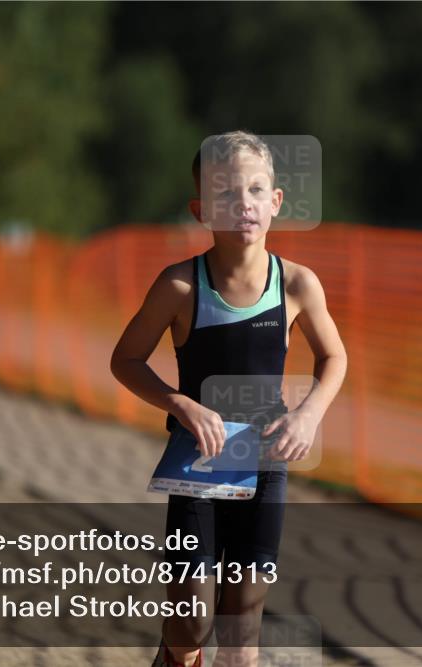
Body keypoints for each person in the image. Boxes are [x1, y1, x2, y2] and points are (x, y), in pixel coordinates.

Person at [110, 131, 347, 667]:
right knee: (190, 623)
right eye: (226, 195)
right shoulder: (179, 286)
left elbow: (335, 359)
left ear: (276, 202)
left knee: (242, 635)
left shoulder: (298, 285)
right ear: (201, 209)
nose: (243, 204)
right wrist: (179, 403)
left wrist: (309, 414)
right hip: (199, 463)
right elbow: (124, 359)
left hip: (264, 465)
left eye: (256, 191)